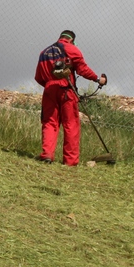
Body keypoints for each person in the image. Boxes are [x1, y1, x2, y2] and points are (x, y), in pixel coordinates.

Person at [35, 29, 106, 166]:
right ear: (72, 40)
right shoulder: (71, 49)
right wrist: (98, 79)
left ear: (60, 37)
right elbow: (82, 69)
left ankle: (47, 155)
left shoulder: (44, 52)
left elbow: (39, 77)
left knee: (50, 122)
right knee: (71, 124)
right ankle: (70, 161)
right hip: (66, 90)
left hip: (49, 89)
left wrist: (50, 84)